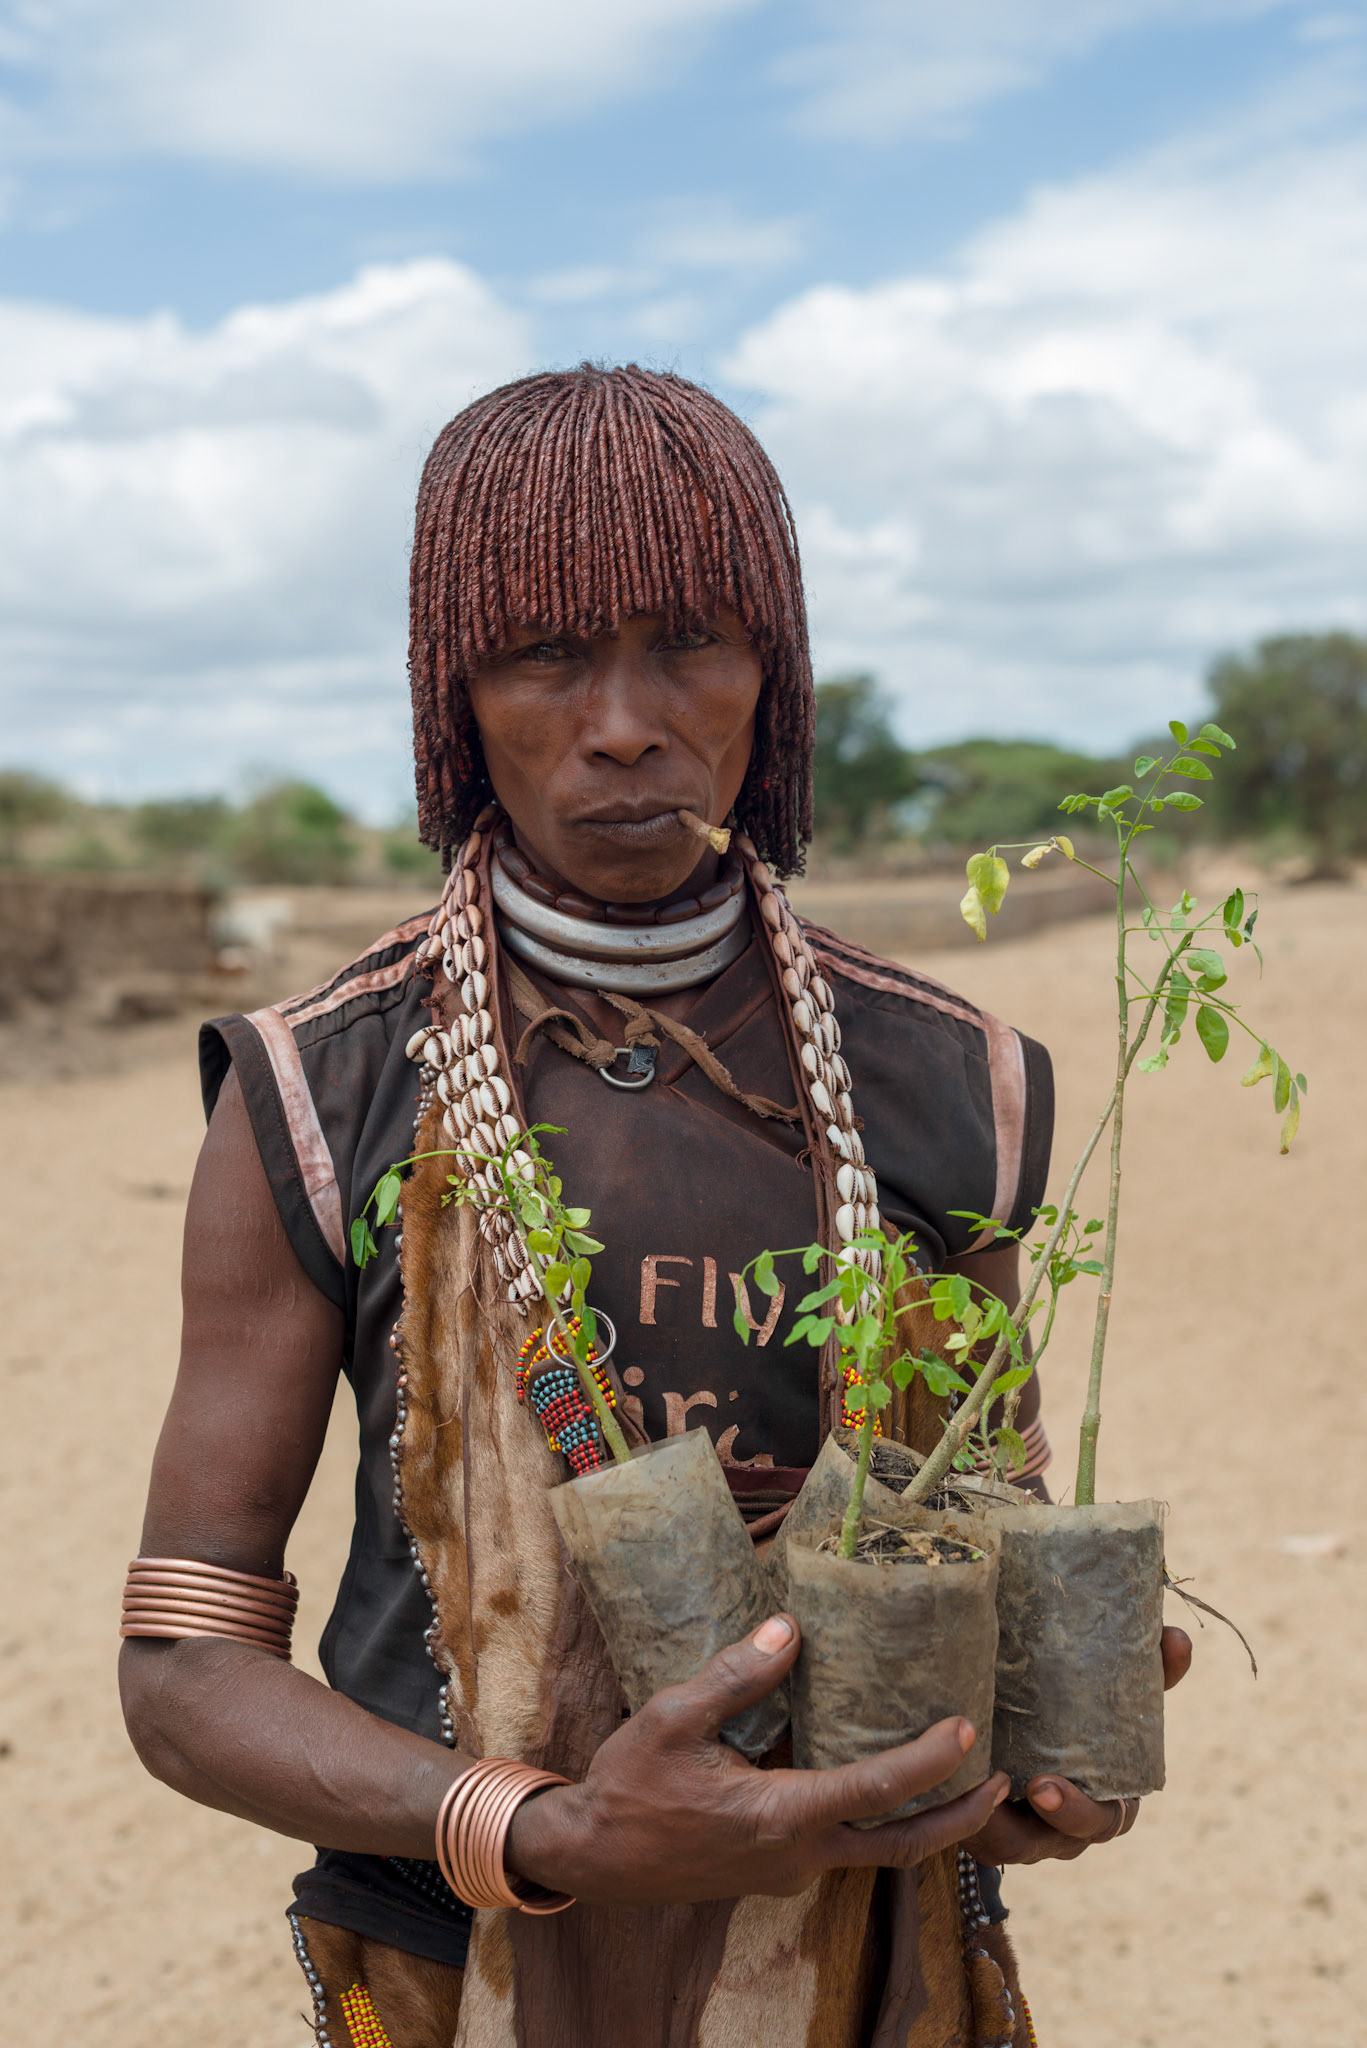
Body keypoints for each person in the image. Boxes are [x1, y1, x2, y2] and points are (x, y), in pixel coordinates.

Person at [119, 364, 1191, 2048]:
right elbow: (182, 1673)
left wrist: (1037, 1752)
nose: (623, 720)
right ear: (451, 693)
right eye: (545, 652)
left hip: (865, 1969)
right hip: (449, 1963)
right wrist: (549, 1831)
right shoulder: (321, 1085)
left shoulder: (944, 1078)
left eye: (690, 640)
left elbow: (978, 1525)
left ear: (776, 677)